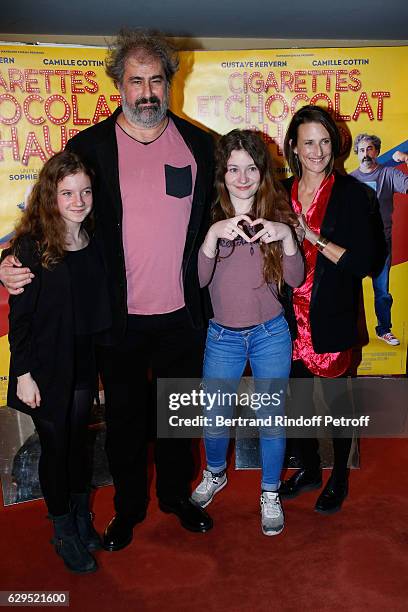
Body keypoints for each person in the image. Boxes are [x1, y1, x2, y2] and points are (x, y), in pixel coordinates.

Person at [0, 29, 214, 550]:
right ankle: (128, 508)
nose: (147, 92)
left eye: (156, 80)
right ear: (118, 84)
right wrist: (7, 261)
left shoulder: (200, 146)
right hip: (113, 317)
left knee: (176, 415)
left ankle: (175, 497)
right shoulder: (89, 148)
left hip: (184, 314)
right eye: (135, 80)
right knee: (123, 420)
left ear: (170, 83)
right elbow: (55, 211)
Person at [190, 129, 304, 535]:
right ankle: (216, 471)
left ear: (262, 172)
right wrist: (211, 237)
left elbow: (295, 277)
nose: (242, 177)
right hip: (222, 335)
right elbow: (199, 281)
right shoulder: (208, 213)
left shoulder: (279, 212)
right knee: (215, 416)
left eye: (251, 168)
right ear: (222, 172)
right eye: (233, 168)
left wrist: (287, 236)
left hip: (270, 333)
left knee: (272, 418)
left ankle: (270, 492)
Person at [6, 150, 111, 573]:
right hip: (43, 365)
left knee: (79, 443)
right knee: (56, 448)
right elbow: (21, 317)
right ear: (50, 195)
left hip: (83, 360)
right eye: (67, 192)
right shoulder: (32, 246)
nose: (78, 200)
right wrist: (25, 373)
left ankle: (82, 517)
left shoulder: (95, 238)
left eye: (84, 191)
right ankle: (63, 529)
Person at [279, 105, 385, 514]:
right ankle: (308, 469)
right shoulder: (278, 192)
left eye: (325, 142)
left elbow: (367, 262)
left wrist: (313, 237)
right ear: (294, 146)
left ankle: (339, 476)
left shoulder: (355, 195)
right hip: (284, 320)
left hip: (332, 315)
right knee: (296, 401)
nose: (318, 151)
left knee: (339, 404)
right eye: (309, 142)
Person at [351, 133, 408, 346]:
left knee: (382, 292)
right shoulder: (350, 180)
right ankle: (352, 332)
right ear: (357, 153)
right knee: (349, 291)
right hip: (356, 246)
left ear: (377, 152)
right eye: (363, 150)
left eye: (371, 149)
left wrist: (405, 159)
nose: (366, 154)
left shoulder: (388, 174)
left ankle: (384, 330)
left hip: (382, 244)